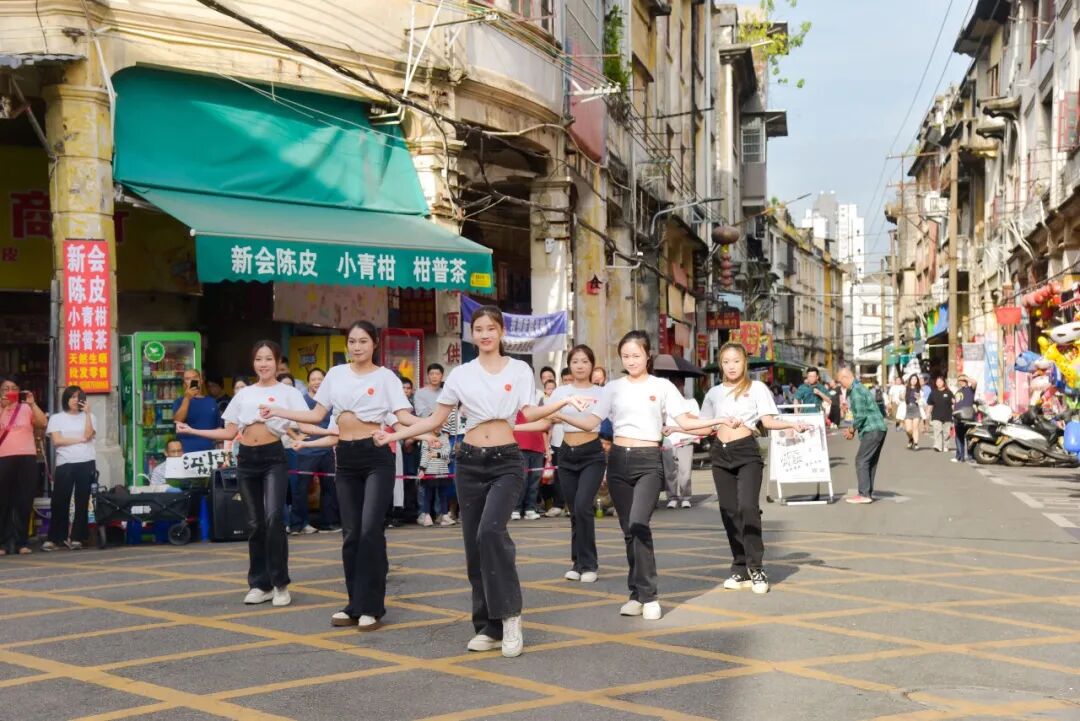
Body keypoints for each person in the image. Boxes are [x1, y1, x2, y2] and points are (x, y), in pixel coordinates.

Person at [374, 305, 591, 658]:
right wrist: (393, 435)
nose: (485, 334)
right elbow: (435, 420)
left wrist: (562, 401)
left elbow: (528, 412)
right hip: (470, 462)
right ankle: (488, 627)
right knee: (474, 547)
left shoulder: (519, 370)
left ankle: (510, 616)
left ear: (501, 331)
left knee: (491, 532)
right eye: (479, 329)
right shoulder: (461, 374)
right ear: (472, 334)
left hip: (507, 461)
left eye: (491, 328)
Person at [263, 322, 423, 630]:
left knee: (370, 530)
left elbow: (403, 417)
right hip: (346, 458)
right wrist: (280, 412)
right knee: (350, 534)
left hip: (376, 456)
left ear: (374, 344)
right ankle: (354, 604)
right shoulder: (336, 375)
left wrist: (431, 424)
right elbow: (316, 415)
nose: (357, 347)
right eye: (352, 341)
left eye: (363, 341)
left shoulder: (386, 377)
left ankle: (373, 608)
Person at [558, 331, 700, 620]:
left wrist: (717, 422)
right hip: (618, 461)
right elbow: (591, 422)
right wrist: (560, 413)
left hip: (648, 461)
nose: (631, 361)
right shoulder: (613, 388)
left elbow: (686, 421)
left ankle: (649, 596)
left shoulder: (662, 386)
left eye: (636, 355)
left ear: (647, 356)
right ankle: (636, 593)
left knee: (638, 523)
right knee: (627, 530)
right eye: (625, 356)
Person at [178, 340, 308, 607]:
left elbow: (306, 422)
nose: (263, 364)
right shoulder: (244, 394)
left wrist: (301, 434)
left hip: (274, 458)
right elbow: (228, 431)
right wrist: (193, 431)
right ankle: (260, 584)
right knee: (255, 523)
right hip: (247, 460)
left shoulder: (288, 392)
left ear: (278, 362)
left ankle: (280, 584)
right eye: (259, 359)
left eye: (268, 359)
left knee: (273, 518)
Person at [677, 344, 810, 594]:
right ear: (721, 364)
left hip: (746, 452)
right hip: (720, 453)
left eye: (736, 361)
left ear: (744, 363)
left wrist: (792, 424)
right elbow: (706, 426)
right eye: (726, 361)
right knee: (729, 511)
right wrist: (677, 426)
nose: (731, 366)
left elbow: (767, 420)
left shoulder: (756, 388)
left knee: (748, 508)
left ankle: (756, 567)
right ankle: (740, 567)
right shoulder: (714, 393)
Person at [544, 344, 607, 582]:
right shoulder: (561, 392)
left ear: (592, 365)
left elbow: (594, 423)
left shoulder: (602, 393)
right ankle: (577, 563)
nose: (580, 366)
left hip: (592, 454)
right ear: (569, 365)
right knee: (573, 511)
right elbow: (547, 416)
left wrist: (561, 415)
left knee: (582, 506)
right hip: (566, 453)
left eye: (585, 361)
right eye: (575, 361)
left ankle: (590, 565)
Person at [43, 386, 97, 552]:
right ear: (65, 399)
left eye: (78, 397)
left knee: (82, 500)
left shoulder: (90, 417)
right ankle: (55, 538)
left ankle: (78, 537)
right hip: (65, 462)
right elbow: (57, 441)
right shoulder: (57, 418)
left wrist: (87, 414)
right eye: (72, 397)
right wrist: (79, 440)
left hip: (86, 461)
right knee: (60, 500)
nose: (75, 400)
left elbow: (88, 435)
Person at [0, 376, 46, 555]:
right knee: (3, 501)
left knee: (24, 501)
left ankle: (21, 542)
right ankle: (3, 543)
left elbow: (43, 423)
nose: (9, 391)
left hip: (27, 458)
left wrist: (32, 404)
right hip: (3, 457)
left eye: (13, 388)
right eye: (5, 388)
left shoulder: (26, 408)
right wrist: (3, 408)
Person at [290, 368, 338, 534]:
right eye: (313, 379)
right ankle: (298, 524)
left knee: (329, 487)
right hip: (307, 451)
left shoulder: (330, 401)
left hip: (326, 449)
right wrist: (297, 437)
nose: (317, 382)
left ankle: (328, 522)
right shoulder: (303, 401)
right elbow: (290, 423)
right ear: (308, 382)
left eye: (320, 379)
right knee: (301, 488)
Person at [837, 367, 888, 504]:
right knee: (870, 461)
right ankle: (868, 493)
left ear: (845, 377)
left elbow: (860, 415)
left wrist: (851, 430)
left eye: (840, 381)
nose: (841, 385)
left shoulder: (856, 391)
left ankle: (864, 494)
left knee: (861, 460)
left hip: (872, 428)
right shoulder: (860, 388)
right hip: (878, 428)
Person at [417, 408, 457, 526]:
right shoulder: (426, 439)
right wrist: (422, 469)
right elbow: (425, 454)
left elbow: (447, 453)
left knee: (443, 495)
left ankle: (444, 516)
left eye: (440, 424)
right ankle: (427, 516)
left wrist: (436, 454)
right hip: (429, 472)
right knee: (428, 495)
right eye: (435, 424)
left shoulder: (444, 438)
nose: (438, 427)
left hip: (443, 471)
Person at [172, 369, 222, 454]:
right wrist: (187, 398)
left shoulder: (211, 401)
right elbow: (178, 421)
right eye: (188, 379)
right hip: (186, 452)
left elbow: (218, 428)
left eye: (195, 378)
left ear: (201, 380)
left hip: (209, 452)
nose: (192, 381)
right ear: (184, 384)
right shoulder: (179, 401)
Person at [663, 394, 699, 509]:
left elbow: (697, 417)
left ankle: (685, 498)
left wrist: (681, 415)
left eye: (680, 385)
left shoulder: (691, 401)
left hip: (686, 439)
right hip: (668, 440)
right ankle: (672, 498)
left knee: (685, 472)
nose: (677, 388)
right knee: (670, 472)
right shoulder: (665, 402)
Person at [512, 409, 545, 521]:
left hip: (538, 447)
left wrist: (547, 449)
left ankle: (530, 508)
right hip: (520, 445)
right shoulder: (516, 405)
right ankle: (516, 508)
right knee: (522, 479)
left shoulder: (539, 408)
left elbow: (544, 429)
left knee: (535, 479)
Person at [927, 376, 955, 454]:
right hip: (936, 415)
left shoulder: (949, 392)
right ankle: (938, 446)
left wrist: (955, 411)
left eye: (940, 381)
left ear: (944, 382)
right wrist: (928, 413)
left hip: (947, 415)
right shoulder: (933, 393)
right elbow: (930, 404)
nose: (938, 383)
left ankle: (946, 446)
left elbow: (953, 403)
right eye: (937, 382)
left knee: (947, 433)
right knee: (937, 431)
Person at [952, 375, 977, 463]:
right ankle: (960, 456)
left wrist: (966, 378)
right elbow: (956, 403)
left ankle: (970, 456)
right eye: (960, 381)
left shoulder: (970, 389)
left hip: (968, 417)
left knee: (969, 438)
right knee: (959, 438)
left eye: (963, 380)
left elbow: (974, 382)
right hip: (958, 417)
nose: (961, 382)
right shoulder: (958, 391)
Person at [899, 375, 927, 449]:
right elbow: (900, 398)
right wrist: (901, 396)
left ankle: (916, 443)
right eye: (912, 379)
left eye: (915, 379)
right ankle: (911, 439)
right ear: (910, 380)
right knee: (908, 429)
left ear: (917, 381)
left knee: (915, 428)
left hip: (916, 409)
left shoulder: (920, 390)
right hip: (908, 410)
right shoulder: (905, 389)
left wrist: (919, 399)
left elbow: (924, 403)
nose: (914, 380)